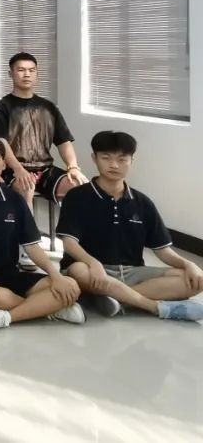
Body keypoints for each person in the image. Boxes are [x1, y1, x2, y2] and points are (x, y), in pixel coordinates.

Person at [57, 131, 203, 322]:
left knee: (194, 280)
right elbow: (69, 243)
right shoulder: (77, 196)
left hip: (133, 271)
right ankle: (153, 306)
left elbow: (163, 251)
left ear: (132, 161)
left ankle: (113, 298)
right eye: (106, 158)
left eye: (122, 159)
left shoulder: (143, 203)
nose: (114, 165)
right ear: (94, 158)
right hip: (90, 269)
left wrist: (189, 264)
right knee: (78, 271)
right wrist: (94, 263)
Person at [0, 137, 85, 334]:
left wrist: (56, 276)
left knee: (69, 285)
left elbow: (32, 246)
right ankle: (47, 308)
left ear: (4, 164)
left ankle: (8, 316)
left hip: (9, 274)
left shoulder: (14, 200)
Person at [0, 52, 87, 210]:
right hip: (13, 170)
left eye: (31, 70)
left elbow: (64, 141)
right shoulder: (1, 107)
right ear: (10, 74)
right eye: (21, 70)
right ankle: (29, 227)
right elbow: (1, 142)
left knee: (80, 187)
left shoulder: (48, 107)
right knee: (27, 188)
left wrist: (73, 166)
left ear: (37, 74)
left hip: (45, 169)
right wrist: (18, 169)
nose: (27, 74)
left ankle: (69, 227)